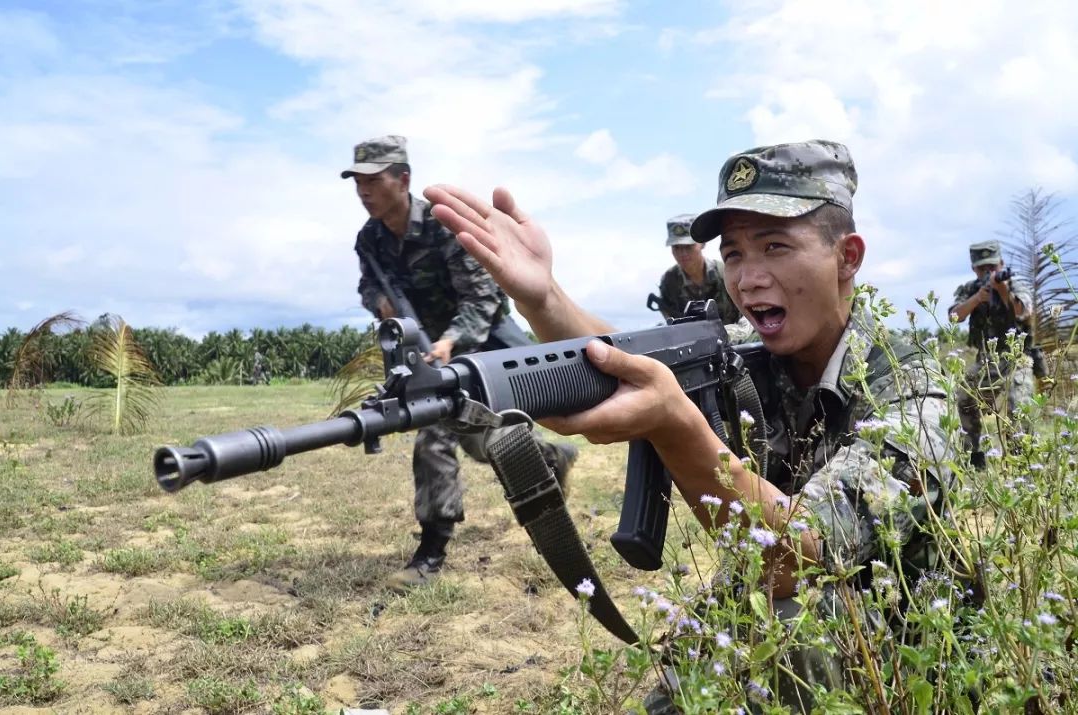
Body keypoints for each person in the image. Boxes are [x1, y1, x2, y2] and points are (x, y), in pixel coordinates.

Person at [424, 140, 954, 712]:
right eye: (734, 255)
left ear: (847, 257)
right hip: (780, 613)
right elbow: (637, 359)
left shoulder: (914, 388)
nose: (748, 278)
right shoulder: (757, 356)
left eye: (775, 247)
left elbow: (792, 563)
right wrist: (544, 298)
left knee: (790, 623)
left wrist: (677, 426)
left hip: (904, 650)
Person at [342, 134, 579, 591]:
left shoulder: (440, 224)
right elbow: (366, 288)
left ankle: (431, 551)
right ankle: (550, 459)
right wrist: (381, 305)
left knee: (435, 434)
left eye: (373, 179)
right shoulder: (369, 239)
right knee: (481, 442)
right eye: (358, 181)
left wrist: (451, 341)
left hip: (478, 340)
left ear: (403, 179)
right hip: (428, 348)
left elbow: (483, 296)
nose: (363, 190)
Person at [947, 240, 1035, 469]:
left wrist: (1003, 292)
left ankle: (1022, 461)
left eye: (992, 267)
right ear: (974, 268)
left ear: (1001, 264)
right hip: (986, 360)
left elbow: (1024, 312)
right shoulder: (970, 289)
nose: (987, 272)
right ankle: (974, 457)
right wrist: (978, 298)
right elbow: (954, 316)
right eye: (981, 268)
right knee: (964, 395)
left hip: (1017, 357)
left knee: (1020, 406)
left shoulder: (1015, 285)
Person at [654, 214, 753, 342]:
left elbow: (750, 317)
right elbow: (674, 328)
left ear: (702, 244)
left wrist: (726, 335)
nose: (682, 253)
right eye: (676, 247)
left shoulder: (724, 273)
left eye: (688, 247)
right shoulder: (670, 282)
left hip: (739, 344)